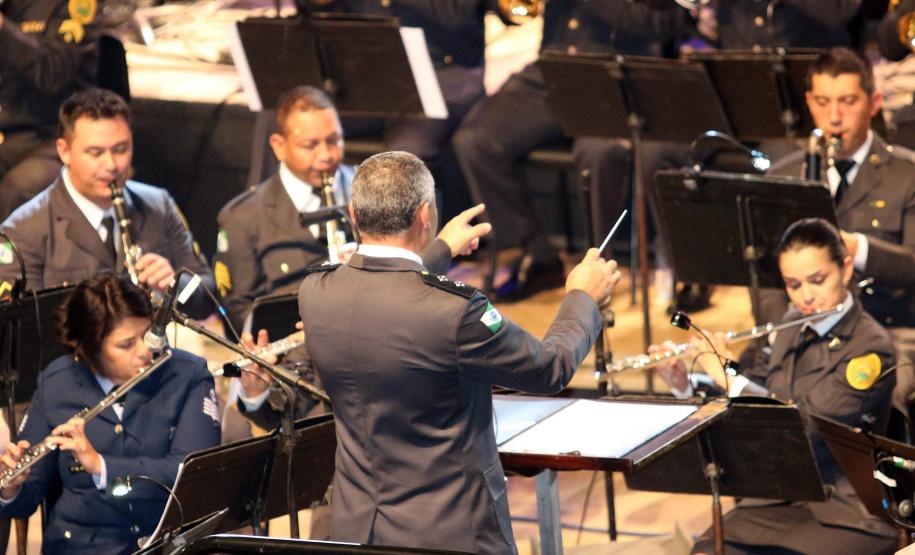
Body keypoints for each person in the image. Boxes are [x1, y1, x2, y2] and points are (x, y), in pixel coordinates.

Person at [297, 151, 620, 553]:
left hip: (357, 528)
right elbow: (549, 368)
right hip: (453, 533)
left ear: (353, 213)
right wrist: (582, 298)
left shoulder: (315, 293)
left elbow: (385, 294)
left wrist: (438, 250)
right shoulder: (455, 311)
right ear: (423, 216)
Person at [655, 218, 897, 554]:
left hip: (845, 508)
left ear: (844, 270)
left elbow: (804, 428)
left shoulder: (870, 348)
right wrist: (688, 382)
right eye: (793, 285)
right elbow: (752, 395)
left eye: (817, 280)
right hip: (775, 498)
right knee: (707, 551)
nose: (806, 297)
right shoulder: (788, 325)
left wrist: (725, 374)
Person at [452, 1, 682, 299]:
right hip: (550, 72)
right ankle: (537, 254)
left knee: (596, 154)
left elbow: (666, 24)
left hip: (615, 76)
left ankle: (599, 269)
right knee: (474, 141)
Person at [0, 272, 221, 554]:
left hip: (164, 543)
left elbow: (192, 474)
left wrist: (101, 467)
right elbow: (27, 498)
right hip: (78, 545)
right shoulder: (57, 382)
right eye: (126, 344)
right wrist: (11, 487)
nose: (145, 350)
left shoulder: (187, 374)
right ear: (89, 348)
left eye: (148, 333)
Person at [765, 47, 915, 427]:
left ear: (874, 102)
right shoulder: (785, 177)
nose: (834, 117)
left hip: (890, 332)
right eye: (823, 102)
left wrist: (858, 248)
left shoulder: (907, 173)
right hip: (801, 328)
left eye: (848, 102)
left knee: (885, 399)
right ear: (808, 104)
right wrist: (781, 333)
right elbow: (763, 279)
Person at [0, 88, 216, 319]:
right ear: (64, 151)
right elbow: (24, 332)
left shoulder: (158, 205)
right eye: (95, 152)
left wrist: (176, 285)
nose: (112, 165)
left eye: (121, 149)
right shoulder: (23, 231)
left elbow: (207, 297)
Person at [215, 85, 355, 334]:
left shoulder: (369, 189)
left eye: (334, 140)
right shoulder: (243, 216)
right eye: (310, 145)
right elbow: (239, 313)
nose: (326, 155)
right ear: (279, 146)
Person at [0, 0, 100, 220]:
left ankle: (7, 255)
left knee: (16, 191)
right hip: (8, 135)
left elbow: (52, 73)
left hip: (55, 137)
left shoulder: (75, 4)